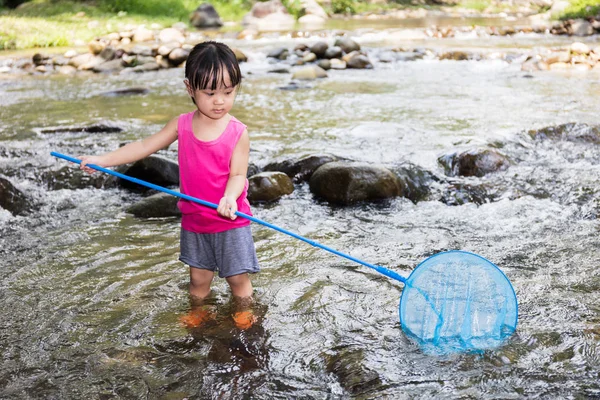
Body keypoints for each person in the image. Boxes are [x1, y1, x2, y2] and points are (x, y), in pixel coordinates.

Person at [80, 41, 260, 330]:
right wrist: (103, 160)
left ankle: (244, 311)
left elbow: (239, 175)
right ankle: (199, 311)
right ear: (190, 89)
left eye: (228, 92)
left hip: (230, 221)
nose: (219, 101)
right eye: (210, 93)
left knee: (238, 278)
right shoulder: (181, 125)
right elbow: (143, 146)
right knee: (198, 281)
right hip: (195, 220)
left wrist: (229, 197)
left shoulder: (237, 132)